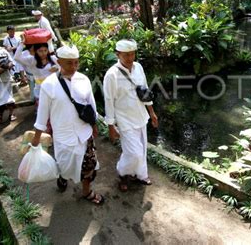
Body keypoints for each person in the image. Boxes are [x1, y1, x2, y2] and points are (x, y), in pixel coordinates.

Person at [31, 45, 104, 205]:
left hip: (84, 133)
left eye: (76, 63)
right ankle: (63, 176)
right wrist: (35, 141)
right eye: (69, 63)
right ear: (58, 62)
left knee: (89, 164)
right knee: (65, 165)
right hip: (63, 136)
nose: (74, 67)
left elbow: (91, 105)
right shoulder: (48, 85)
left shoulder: (83, 80)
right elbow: (42, 117)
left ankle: (86, 191)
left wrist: (94, 125)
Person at [103, 39, 159, 192]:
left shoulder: (138, 67)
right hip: (124, 119)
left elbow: (146, 91)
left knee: (141, 149)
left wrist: (152, 113)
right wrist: (111, 126)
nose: (130, 58)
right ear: (118, 54)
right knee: (133, 152)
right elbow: (108, 100)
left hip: (140, 116)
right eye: (126, 55)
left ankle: (141, 175)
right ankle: (123, 173)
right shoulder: (111, 75)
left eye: (132, 54)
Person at [14, 39, 58, 103]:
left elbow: (63, 69)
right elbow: (16, 58)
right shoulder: (32, 60)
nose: (43, 53)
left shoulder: (53, 59)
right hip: (40, 89)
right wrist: (22, 44)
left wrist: (57, 68)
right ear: (36, 51)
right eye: (40, 51)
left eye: (45, 50)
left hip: (54, 88)